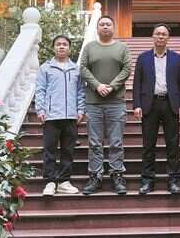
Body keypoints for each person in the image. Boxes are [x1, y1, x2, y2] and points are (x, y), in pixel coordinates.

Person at [80, 15, 132, 195]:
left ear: (113, 28)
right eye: (101, 24)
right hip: (93, 103)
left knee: (116, 142)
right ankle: (95, 176)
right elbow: (83, 68)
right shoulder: (89, 47)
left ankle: (117, 175)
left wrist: (111, 86)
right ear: (97, 28)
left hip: (116, 102)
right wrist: (97, 85)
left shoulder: (122, 48)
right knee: (94, 142)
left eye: (108, 24)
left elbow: (127, 69)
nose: (105, 27)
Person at [133, 23, 180, 195]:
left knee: (173, 145)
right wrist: (137, 105)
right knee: (148, 145)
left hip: (171, 104)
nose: (161, 36)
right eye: (158, 33)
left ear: (168, 38)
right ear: (153, 36)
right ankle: (147, 180)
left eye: (164, 34)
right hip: (150, 105)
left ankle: (173, 180)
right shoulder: (143, 58)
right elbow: (137, 83)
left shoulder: (176, 58)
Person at [35, 35, 85, 196]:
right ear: (54, 47)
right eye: (58, 44)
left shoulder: (76, 69)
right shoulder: (45, 68)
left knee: (68, 150)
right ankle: (50, 182)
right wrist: (40, 110)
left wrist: (80, 110)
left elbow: (80, 91)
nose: (61, 47)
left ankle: (64, 181)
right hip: (51, 116)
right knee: (49, 150)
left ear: (69, 48)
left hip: (70, 116)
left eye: (64, 44)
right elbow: (40, 90)